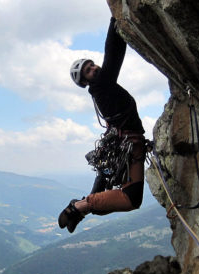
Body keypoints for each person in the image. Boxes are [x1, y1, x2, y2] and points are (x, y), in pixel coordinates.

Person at [59, 17, 147, 233]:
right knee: (131, 199)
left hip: (127, 145)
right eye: (88, 70)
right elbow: (114, 52)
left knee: (121, 196)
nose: (94, 68)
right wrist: (115, 19)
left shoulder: (99, 92)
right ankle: (80, 206)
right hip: (131, 146)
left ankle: (80, 208)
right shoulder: (103, 86)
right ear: (85, 82)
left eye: (92, 64)